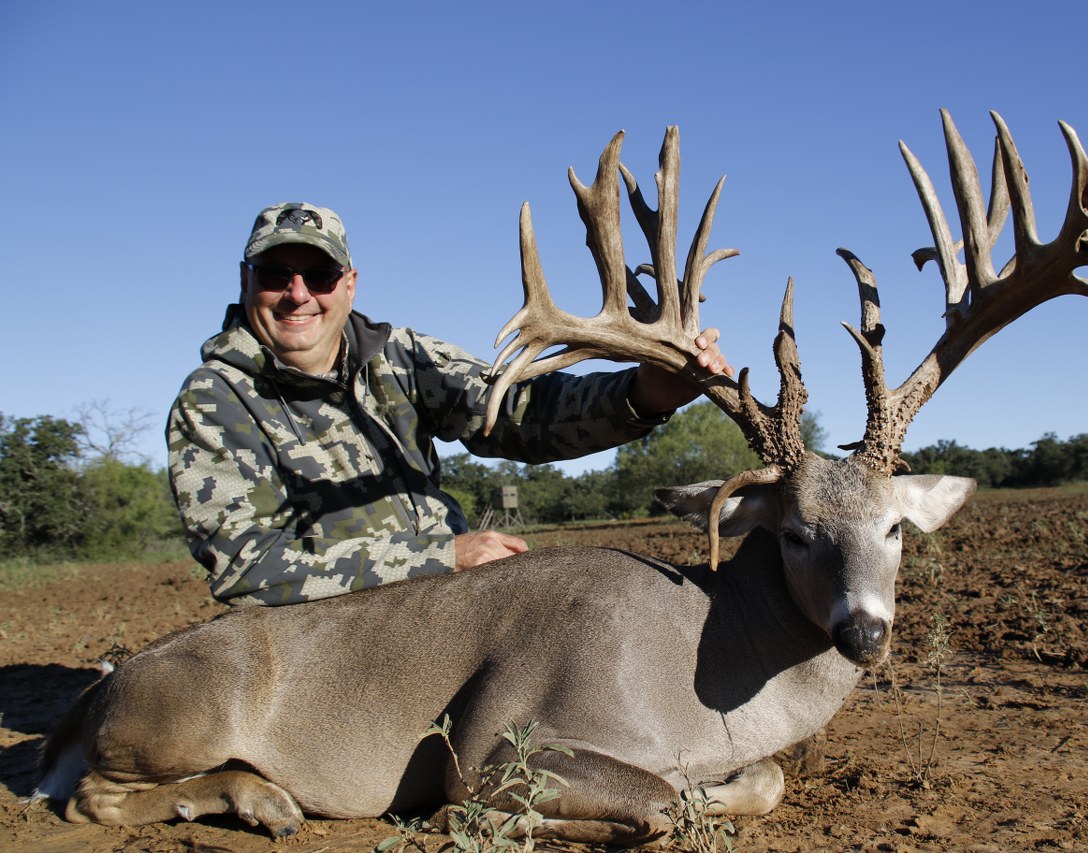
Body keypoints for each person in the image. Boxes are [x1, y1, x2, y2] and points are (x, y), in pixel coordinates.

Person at [167, 202, 730, 606]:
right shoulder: (215, 400)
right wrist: (439, 557)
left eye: (319, 275)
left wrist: (643, 393)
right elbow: (247, 565)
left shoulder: (400, 357)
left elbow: (517, 411)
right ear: (246, 281)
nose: (297, 293)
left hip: (450, 600)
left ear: (350, 284)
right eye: (275, 275)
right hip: (325, 634)